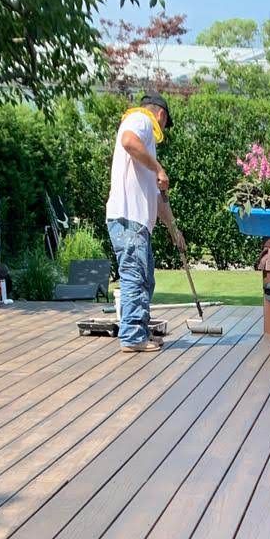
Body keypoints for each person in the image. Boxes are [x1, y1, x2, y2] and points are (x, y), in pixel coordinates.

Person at [105, 93, 174, 353]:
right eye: (166, 124)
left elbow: (157, 199)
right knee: (135, 276)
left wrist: (173, 231)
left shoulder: (147, 148)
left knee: (145, 278)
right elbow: (127, 141)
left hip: (137, 223)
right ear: (161, 115)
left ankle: (139, 332)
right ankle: (133, 337)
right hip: (128, 218)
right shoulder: (141, 120)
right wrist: (158, 169)